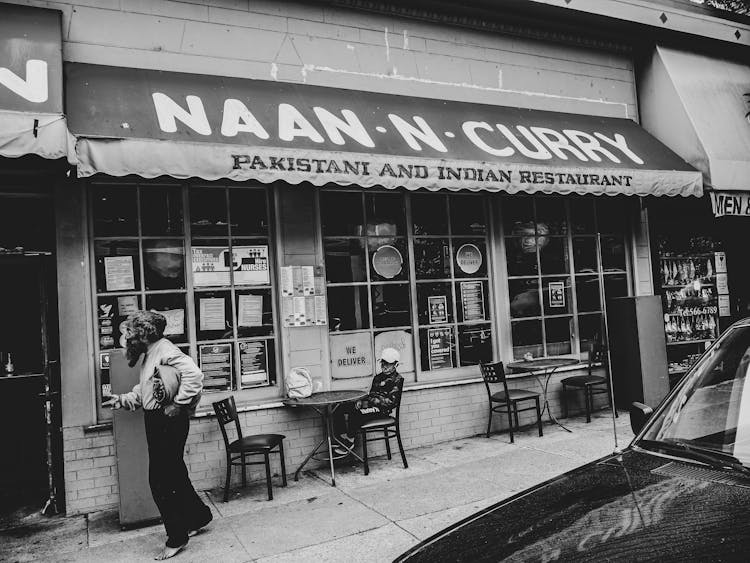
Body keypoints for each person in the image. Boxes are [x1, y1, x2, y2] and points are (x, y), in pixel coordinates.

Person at [103, 311, 212, 560]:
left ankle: (177, 537)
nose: (127, 337)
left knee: (160, 481)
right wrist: (122, 400)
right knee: (174, 473)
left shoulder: (165, 350)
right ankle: (198, 516)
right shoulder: (151, 354)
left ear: (144, 333)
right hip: (159, 420)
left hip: (167, 421)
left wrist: (179, 404)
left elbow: (194, 375)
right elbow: (147, 391)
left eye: (131, 332)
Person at [333, 347, 404, 453]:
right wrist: (361, 401)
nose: (384, 366)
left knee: (356, 412)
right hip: (371, 406)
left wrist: (373, 400)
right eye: (383, 362)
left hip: (382, 411)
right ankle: (342, 438)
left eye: (388, 364)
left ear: (396, 365)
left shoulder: (397, 380)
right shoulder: (378, 378)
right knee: (338, 407)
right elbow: (371, 394)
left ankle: (350, 441)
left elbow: (391, 403)